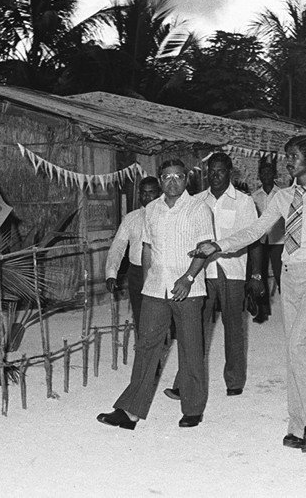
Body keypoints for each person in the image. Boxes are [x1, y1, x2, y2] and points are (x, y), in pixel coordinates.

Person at [191, 135, 306, 454]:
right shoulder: (282, 197)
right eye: (286, 156)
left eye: (293, 156)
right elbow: (256, 230)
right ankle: (298, 423)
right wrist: (219, 245)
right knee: (293, 350)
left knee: (302, 344)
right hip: (289, 274)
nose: (287, 161)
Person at [97, 159, 214, 431]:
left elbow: (205, 248)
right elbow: (147, 247)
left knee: (190, 348)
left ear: (187, 179)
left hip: (189, 288)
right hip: (155, 287)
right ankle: (130, 411)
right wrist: (148, 281)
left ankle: (193, 409)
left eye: (178, 177)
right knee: (147, 347)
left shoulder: (199, 208)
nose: (172, 182)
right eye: (166, 177)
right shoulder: (152, 209)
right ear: (160, 180)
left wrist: (188, 278)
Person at [166, 152, 261, 400]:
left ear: (230, 173)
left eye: (220, 171)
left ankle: (234, 380)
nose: (215, 176)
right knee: (194, 327)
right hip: (202, 272)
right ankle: (183, 382)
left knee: (234, 328)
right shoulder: (196, 201)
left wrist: (256, 276)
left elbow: (253, 238)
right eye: (211, 171)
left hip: (233, 272)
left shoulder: (243, 202)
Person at [103, 176, 161, 331]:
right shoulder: (130, 218)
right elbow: (117, 247)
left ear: (160, 193)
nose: (147, 197)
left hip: (160, 271)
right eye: (143, 193)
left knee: (160, 315)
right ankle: (144, 350)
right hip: (136, 273)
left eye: (151, 192)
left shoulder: (168, 216)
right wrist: (111, 273)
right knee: (140, 315)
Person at [250, 159, 285, 323]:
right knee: (260, 276)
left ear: (275, 175)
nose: (266, 176)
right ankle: (262, 311)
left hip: (279, 241)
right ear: (259, 176)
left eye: (269, 173)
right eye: (263, 173)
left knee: (281, 275)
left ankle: (288, 311)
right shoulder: (254, 196)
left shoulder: (282, 194)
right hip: (261, 241)